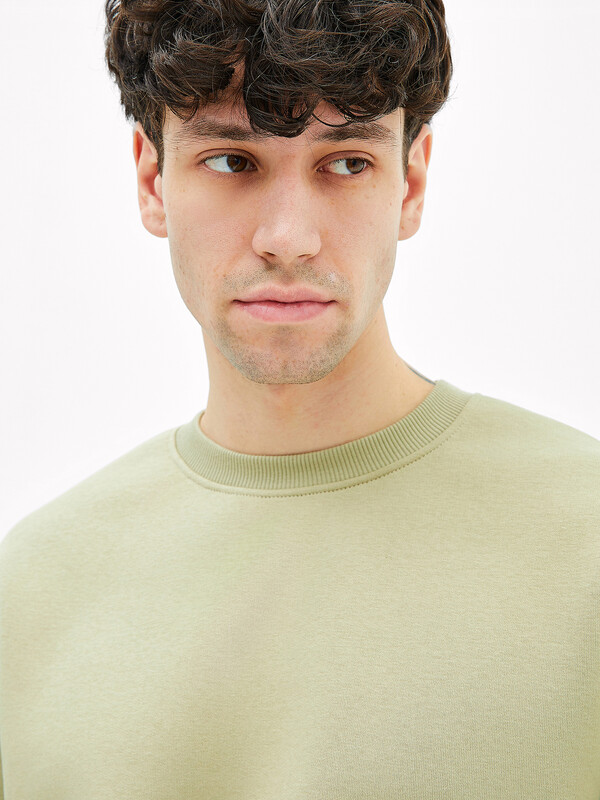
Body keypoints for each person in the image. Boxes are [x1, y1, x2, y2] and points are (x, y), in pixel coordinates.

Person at [0, 0, 598, 796]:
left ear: (412, 182)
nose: (289, 237)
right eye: (232, 161)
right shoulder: (31, 596)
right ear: (152, 180)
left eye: (346, 163)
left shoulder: (587, 541)